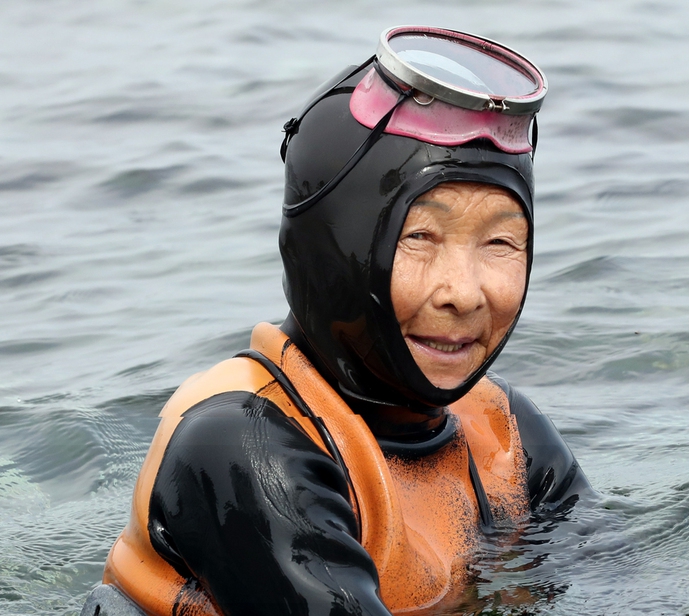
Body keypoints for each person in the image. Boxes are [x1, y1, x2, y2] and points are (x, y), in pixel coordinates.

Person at [81, 26, 589, 616]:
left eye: (500, 241)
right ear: (333, 253)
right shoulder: (243, 440)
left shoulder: (501, 429)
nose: (464, 293)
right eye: (420, 236)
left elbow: (609, 585)